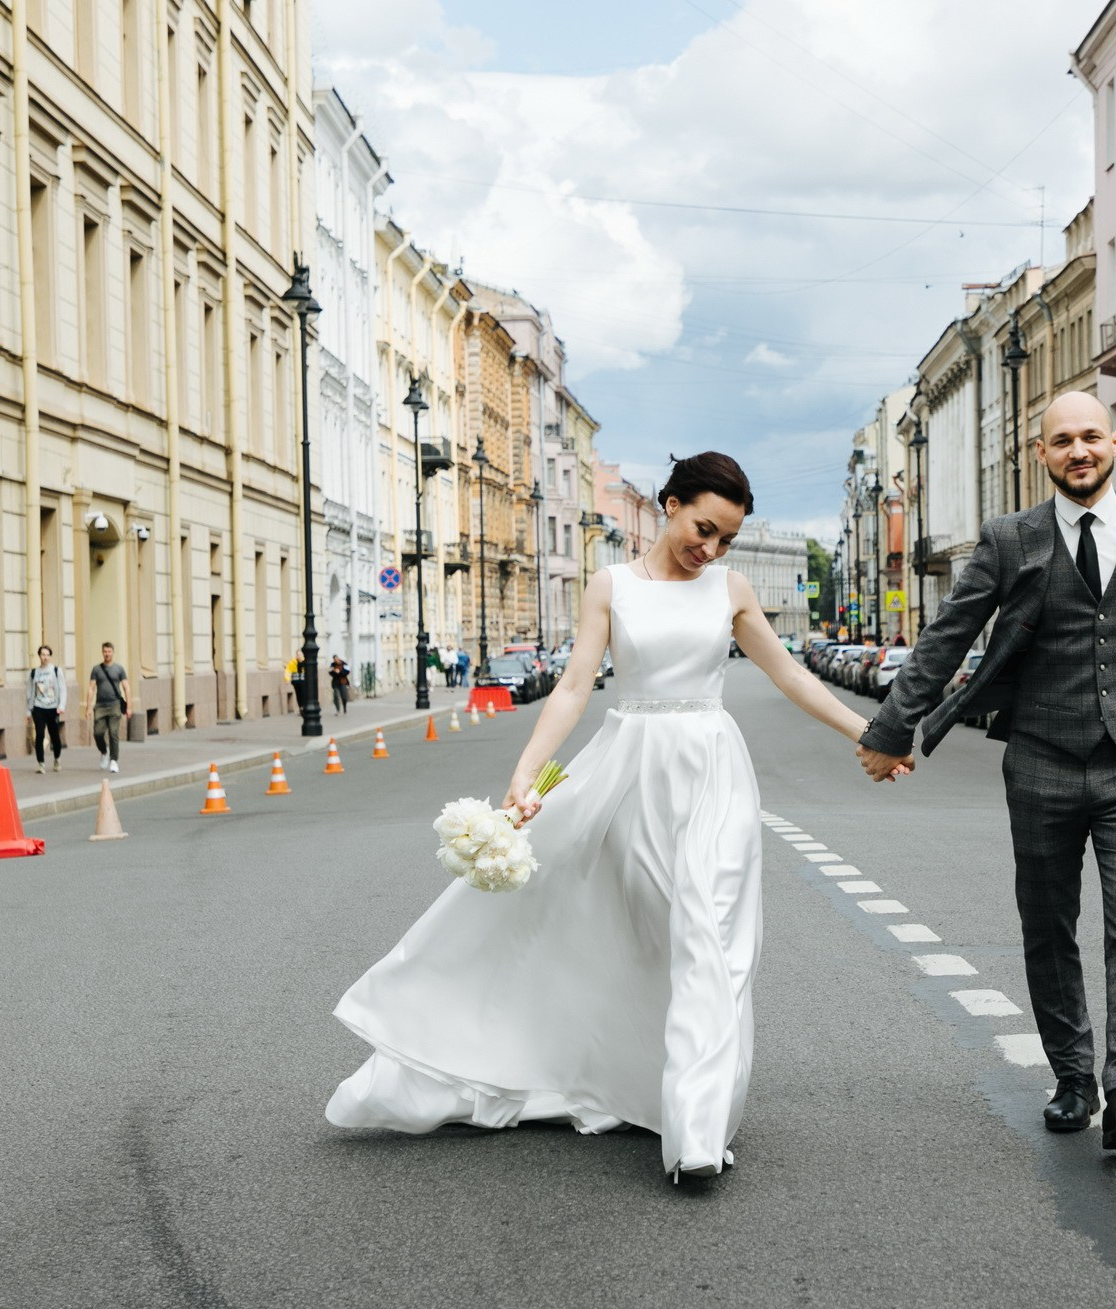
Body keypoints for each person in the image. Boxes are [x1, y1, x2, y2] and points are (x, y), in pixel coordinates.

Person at [324, 452, 896, 1181]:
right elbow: (569, 689)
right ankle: (630, 1081)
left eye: (725, 538)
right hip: (633, 772)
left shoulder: (731, 588)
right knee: (657, 936)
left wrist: (869, 733)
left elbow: (790, 675)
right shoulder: (611, 586)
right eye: (702, 528)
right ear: (669, 503)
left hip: (715, 770)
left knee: (712, 935)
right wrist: (526, 772)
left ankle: (696, 1131)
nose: (711, 549)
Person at [856, 392, 1116, 1153]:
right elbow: (945, 637)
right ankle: (1072, 1077)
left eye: (1091, 437)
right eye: (1062, 441)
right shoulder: (1010, 539)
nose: (1078, 451)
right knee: (1048, 926)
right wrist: (891, 729)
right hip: (1040, 762)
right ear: (1042, 455)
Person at [83, 642, 129, 774]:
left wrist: (129, 707)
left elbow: (126, 687)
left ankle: (114, 760)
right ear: (102, 652)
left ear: (113, 652)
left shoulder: (119, 669)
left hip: (115, 705)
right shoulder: (96, 669)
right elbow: (91, 688)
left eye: (109, 652)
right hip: (100, 706)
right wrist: (88, 707)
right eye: (105, 652)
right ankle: (104, 751)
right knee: (98, 733)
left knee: (113, 733)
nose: (107, 654)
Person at [27, 645, 67, 773]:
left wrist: (61, 706)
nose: (45, 657)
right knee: (39, 735)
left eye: (47, 655)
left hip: (53, 708)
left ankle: (57, 759)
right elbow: (30, 692)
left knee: (54, 735)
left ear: (50, 656)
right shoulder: (34, 672)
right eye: (43, 654)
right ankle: (41, 764)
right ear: (39, 656)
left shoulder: (55, 670)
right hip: (38, 708)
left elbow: (62, 689)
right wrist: (28, 710)